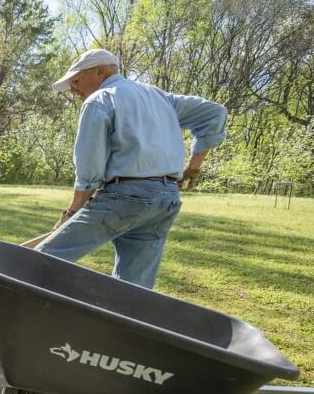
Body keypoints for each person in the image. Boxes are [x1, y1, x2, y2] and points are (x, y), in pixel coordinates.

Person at [37, 48, 227, 289]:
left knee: (43, 259)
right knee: (132, 288)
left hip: (126, 197)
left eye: (76, 80)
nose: (73, 88)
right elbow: (215, 113)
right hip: (166, 199)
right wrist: (193, 169)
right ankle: (124, 326)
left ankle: (13, 316)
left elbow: (90, 163)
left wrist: (73, 211)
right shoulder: (159, 97)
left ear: (100, 71)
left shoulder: (100, 99)